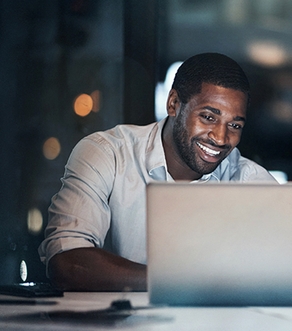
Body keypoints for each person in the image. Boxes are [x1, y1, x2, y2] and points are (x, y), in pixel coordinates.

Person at [39, 53, 276, 292]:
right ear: (173, 103)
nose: (221, 137)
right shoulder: (108, 154)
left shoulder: (250, 181)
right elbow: (67, 263)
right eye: (208, 117)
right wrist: (183, 284)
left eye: (234, 125)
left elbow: (290, 274)